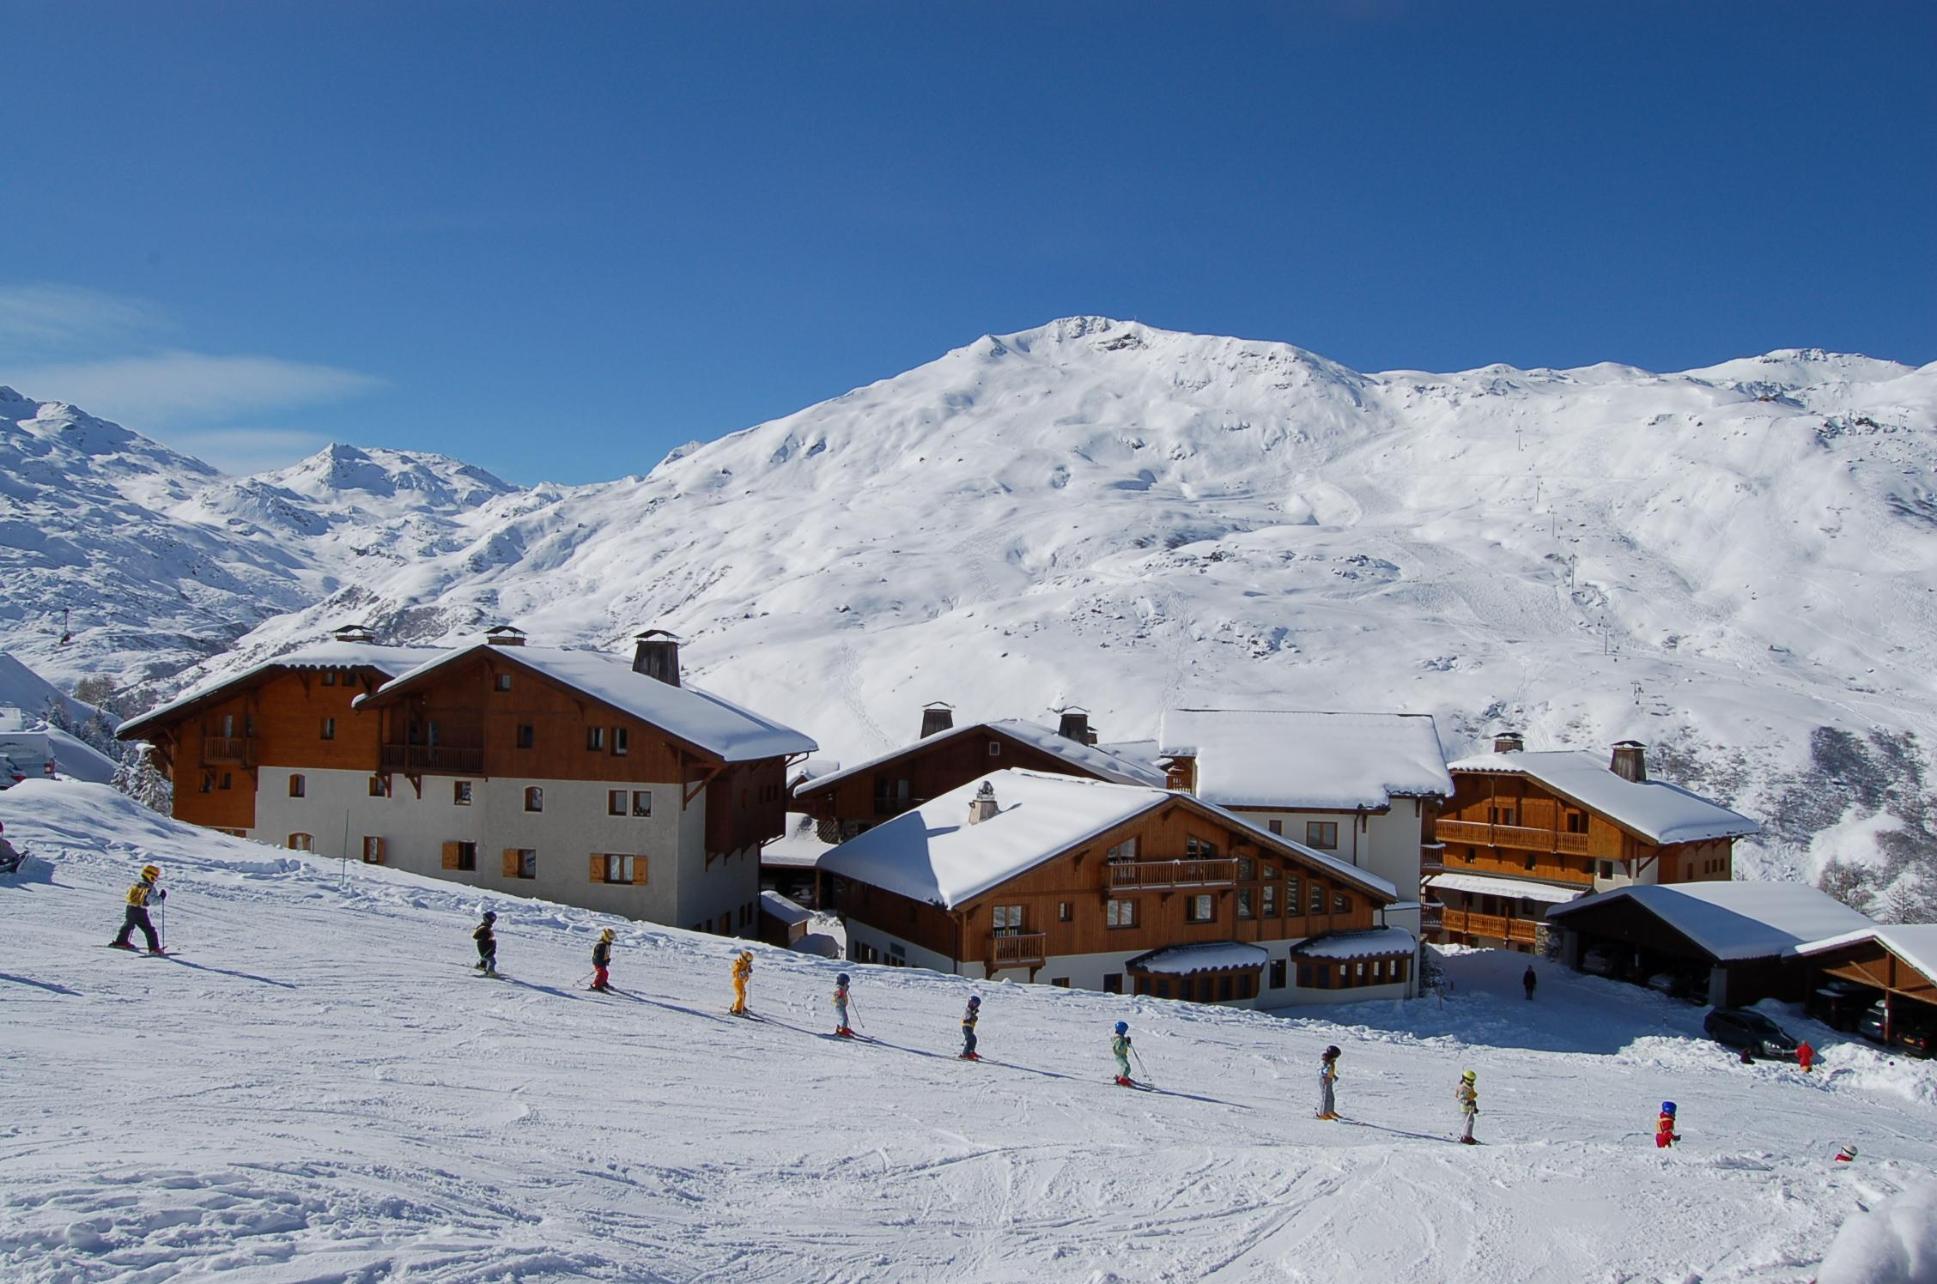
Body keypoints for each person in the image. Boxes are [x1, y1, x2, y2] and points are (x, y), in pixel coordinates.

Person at [110, 864, 167, 953]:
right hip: (140, 910)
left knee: (128, 925)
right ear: (150, 876)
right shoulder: (149, 888)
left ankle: (121, 941)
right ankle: (154, 948)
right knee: (149, 930)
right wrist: (161, 897)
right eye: (155, 877)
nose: (155, 880)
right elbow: (153, 901)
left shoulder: (136, 884)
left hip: (130, 908)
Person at [1317, 1045, 1341, 1120]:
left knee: (1331, 1097)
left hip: (1329, 1079)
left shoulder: (1331, 1061)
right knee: (1326, 1097)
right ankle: (1323, 1113)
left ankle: (1330, 1111)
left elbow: (1330, 1070)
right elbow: (1322, 1070)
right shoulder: (1325, 1061)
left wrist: (1333, 1076)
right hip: (1325, 1080)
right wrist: (1326, 1075)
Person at [1456, 1070, 1479, 1144]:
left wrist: (1474, 1108)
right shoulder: (1463, 1087)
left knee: (1470, 1121)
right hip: (1465, 1107)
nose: (1472, 1082)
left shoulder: (1468, 1086)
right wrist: (1468, 1102)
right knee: (1468, 1122)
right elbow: (1461, 1098)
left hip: (1470, 1107)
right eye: (1471, 1080)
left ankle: (1467, 1135)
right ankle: (1466, 1137)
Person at [473, 911, 498, 977]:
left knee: (485, 958)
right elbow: (477, 936)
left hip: (485, 948)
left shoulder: (485, 927)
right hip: (485, 948)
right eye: (491, 920)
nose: (492, 922)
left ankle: (481, 966)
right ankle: (491, 971)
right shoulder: (484, 928)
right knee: (492, 961)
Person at [729, 949, 753, 1015]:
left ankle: (740, 1005)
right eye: (747, 961)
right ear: (743, 959)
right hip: (737, 982)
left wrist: (749, 969)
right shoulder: (737, 964)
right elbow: (735, 973)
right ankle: (736, 1010)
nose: (748, 963)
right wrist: (741, 974)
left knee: (743, 993)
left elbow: (747, 968)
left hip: (742, 982)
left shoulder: (745, 964)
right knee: (740, 995)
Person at [1111, 1020, 1134, 1087]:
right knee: (1126, 1067)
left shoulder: (1120, 1038)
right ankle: (1122, 1080)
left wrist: (1126, 1041)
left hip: (1122, 1055)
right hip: (1119, 1055)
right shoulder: (1118, 1039)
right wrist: (1125, 1042)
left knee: (1125, 1066)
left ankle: (1122, 1076)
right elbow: (1119, 1048)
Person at [591, 928, 614, 992]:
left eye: (612, 938)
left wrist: (607, 959)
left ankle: (603, 982)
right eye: (610, 938)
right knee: (601, 973)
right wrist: (602, 961)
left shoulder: (606, 944)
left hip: (603, 962)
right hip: (598, 962)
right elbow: (598, 955)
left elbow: (605, 953)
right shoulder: (601, 945)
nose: (611, 940)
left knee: (605, 973)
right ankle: (597, 985)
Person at [960, 995, 981, 1060]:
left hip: (970, 1027)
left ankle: (971, 1051)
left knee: (974, 1039)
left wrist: (974, 1015)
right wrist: (973, 1016)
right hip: (966, 1027)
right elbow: (968, 1016)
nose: (973, 1005)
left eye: (975, 1004)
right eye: (972, 1003)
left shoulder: (972, 1010)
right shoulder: (967, 1010)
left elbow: (973, 1017)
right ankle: (965, 1054)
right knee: (970, 1040)